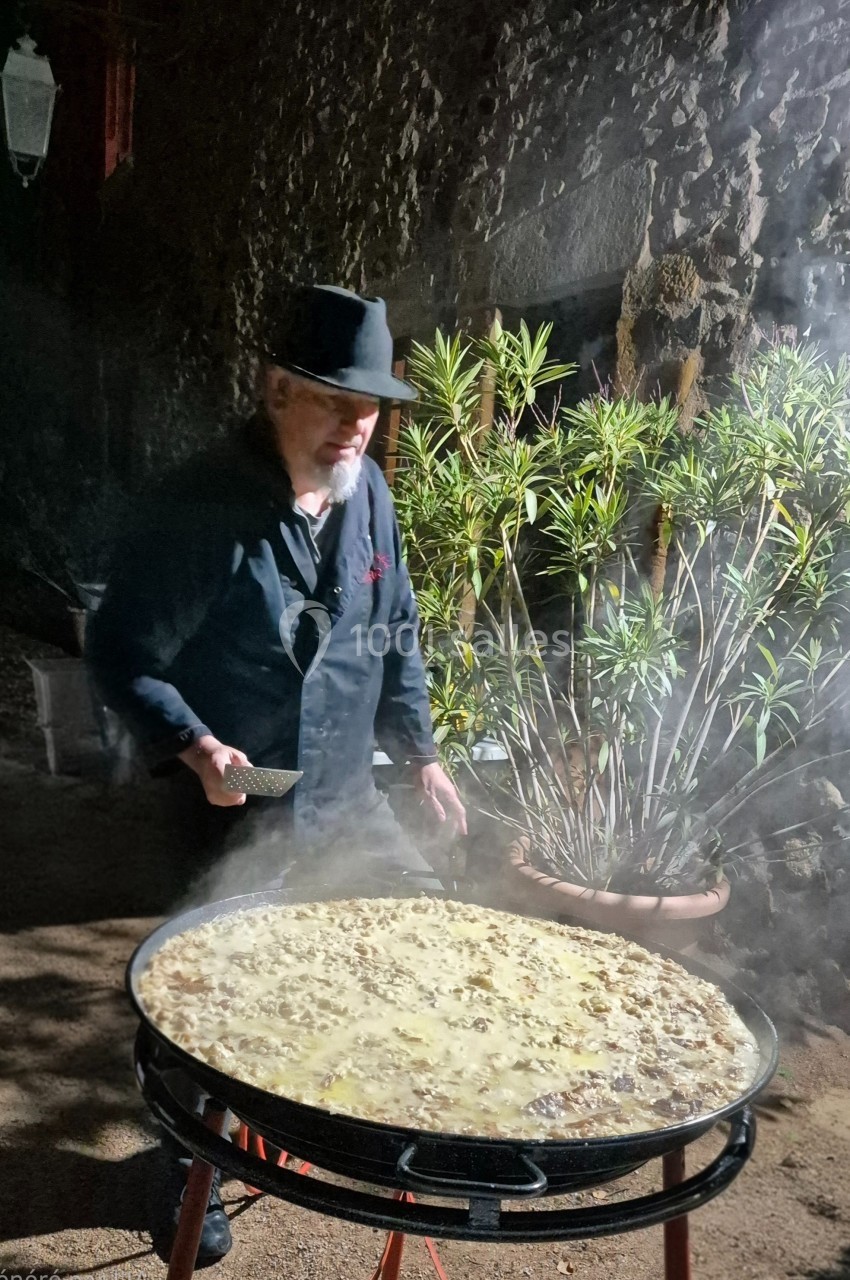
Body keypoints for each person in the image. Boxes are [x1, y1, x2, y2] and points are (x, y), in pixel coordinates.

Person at [87, 284, 466, 1262]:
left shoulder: (368, 494)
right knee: (209, 999)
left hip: (342, 789)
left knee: (422, 927)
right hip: (240, 793)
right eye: (334, 399)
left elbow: (396, 632)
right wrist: (192, 743)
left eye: (369, 404)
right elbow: (121, 648)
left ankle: (357, 1114)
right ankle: (187, 1164)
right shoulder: (202, 507)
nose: (355, 423)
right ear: (276, 390)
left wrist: (421, 752)